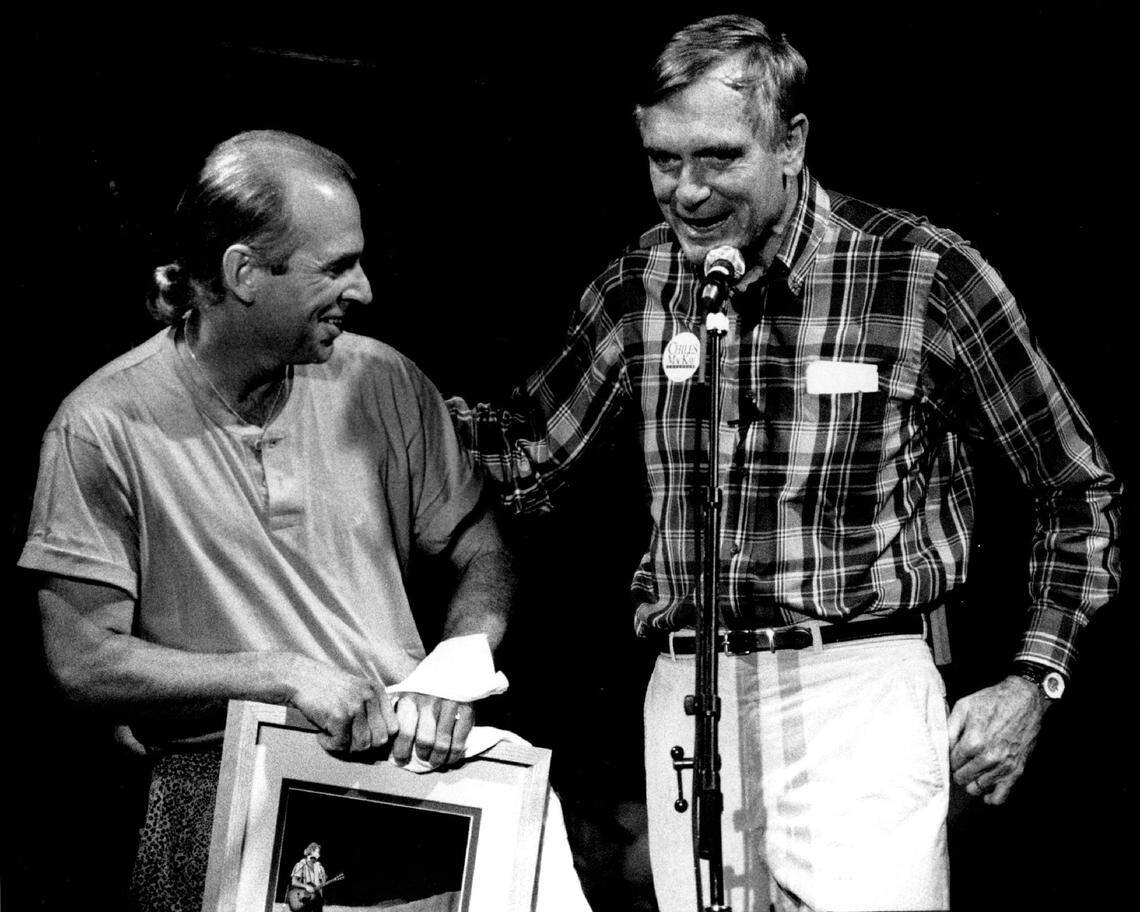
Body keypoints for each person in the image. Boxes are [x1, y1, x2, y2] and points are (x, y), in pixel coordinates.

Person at [449, 14, 1123, 912]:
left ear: (792, 141)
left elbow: (1075, 483)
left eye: (717, 158)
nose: (685, 192)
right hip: (689, 691)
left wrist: (1036, 679)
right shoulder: (640, 282)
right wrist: (356, 375)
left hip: (860, 691)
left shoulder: (920, 275)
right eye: (662, 159)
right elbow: (528, 456)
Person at [19, 130, 526, 911]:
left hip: (404, 786)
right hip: (213, 795)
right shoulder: (102, 424)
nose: (363, 290)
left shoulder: (383, 381)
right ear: (242, 273)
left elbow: (481, 550)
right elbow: (81, 661)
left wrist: (454, 670)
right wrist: (279, 674)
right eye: (335, 267)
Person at [289, 842, 329, 911]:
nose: (319, 855)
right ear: (311, 852)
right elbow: (294, 882)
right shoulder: (301, 865)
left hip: (315, 899)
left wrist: (323, 880)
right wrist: (306, 886)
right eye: (317, 852)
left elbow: (320, 885)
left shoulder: (319, 867)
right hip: (302, 899)